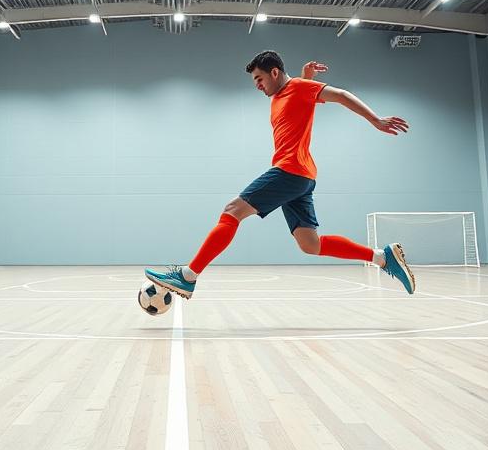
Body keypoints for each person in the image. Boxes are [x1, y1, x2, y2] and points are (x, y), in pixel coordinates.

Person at [145, 50, 415, 299]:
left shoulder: (298, 88)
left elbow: (341, 95)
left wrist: (376, 120)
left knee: (232, 210)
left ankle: (188, 276)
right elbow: (301, 101)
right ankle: (383, 257)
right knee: (310, 244)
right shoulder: (285, 93)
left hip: (290, 170)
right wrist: (306, 77)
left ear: (274, 72)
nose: (257, 85)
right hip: (302, 176)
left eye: (259, 78)